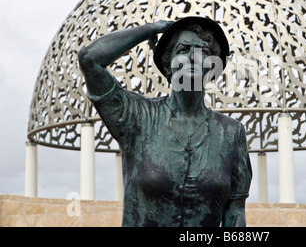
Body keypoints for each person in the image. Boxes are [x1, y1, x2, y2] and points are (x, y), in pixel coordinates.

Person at [78, 16, 252, 227]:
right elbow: (89, 59)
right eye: (183, 49)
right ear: (168, 65)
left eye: (203, 53)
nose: (193, 57)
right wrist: (149, 29)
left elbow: (236, 215)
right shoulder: (137, 116)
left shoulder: (232, 134)